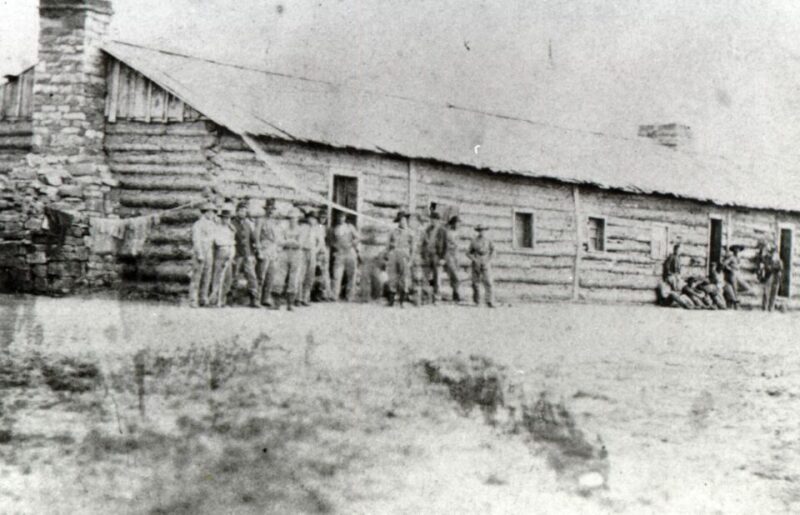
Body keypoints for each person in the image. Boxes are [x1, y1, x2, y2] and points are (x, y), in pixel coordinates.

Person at [227, 201, 260, 307]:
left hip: (248, 254)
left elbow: (253, 239)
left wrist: (254, 254)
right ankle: (231, 298)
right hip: (236, 254)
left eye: (245, 211)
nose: (243, 213)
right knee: (234, 276)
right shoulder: (231, 223)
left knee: (252, 276)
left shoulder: (248, 224)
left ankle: (254, 299)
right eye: (241, 211)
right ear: (236, 212)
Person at [188, 202, 217, 308]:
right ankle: (193, 300)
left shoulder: (213, 224)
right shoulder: (198, 224)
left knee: (207, 276)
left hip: (209, 251)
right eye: (210, 212)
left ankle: (203, 298)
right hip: (200, 252)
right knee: (196, 276)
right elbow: (196, 240)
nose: (212, 214)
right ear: (205, 212)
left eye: (213, 212)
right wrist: (199, 253)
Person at [255, 199, 282, 308]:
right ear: (265, 210)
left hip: (273, 250)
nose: (271, 211)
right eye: (269, 209)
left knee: (271, 275)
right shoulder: (261, 220)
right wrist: (259, 250)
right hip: (264, 248)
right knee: (261, 275)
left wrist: (278, 248)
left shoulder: (275, 222)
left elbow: (278, 237)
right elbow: (256, 236)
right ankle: (256, 298)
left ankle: (266, 297)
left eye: (272, 209)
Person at [209, 203, 237, 307]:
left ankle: (223, 299)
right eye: (225, 218)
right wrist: (229, 244)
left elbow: (233, 241)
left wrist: (232, 251)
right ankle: (215, 300)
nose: (227, 220)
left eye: (229, 218)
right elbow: (218, 241)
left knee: (227, 278)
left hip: (230, 253)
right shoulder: (217, 228)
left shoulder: (230, 229)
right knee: (218, 276)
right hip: (221, 251)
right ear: (222, 219)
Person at [385, 209, 414, 307]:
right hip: (393, 255)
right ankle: (391, 300)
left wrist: (411, 260)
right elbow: (388, 245)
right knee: (392, 277)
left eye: (404, 220)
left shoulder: (410, 233)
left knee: (404, 278)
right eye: (401, 220)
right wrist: (387, 255)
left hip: (404, 255)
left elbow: (413, 248)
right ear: (398, 221)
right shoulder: (393, 232)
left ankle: (402, 301)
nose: (403, 222)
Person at [280, 207, 305, 311]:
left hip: (296, 254)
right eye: (290, 218)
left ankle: (290, 303)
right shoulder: (284, 229)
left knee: (294, 278)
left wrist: (288, 241)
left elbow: (300, 244)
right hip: (285, 252)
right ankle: (276, 302)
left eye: (294, 218)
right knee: (280, 275)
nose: (292, 220)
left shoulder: (301, 229)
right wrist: (292, 241)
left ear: (298, 219)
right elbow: (280, 241)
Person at [331, 212, 360, 301]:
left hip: (350, 252)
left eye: (342, 217)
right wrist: (337, 246)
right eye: (339, 217)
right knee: (337, 274)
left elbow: (358, 238)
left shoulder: (349, 227)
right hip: (340, 253)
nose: (341, 218)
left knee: (351, 274)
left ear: (345, 218)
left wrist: (352, 244)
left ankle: (350, 295)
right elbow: (332, 241)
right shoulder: (334, 229)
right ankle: (335, 295)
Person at [299, 211, 325, 306]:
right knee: (301, 274)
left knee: (310, 275)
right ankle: (298, 298)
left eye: (314, 218)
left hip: (312, 251)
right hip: (302, 251)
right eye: (310, 218)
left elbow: (320, 242)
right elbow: (299, 240)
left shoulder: (318, 229)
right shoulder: (302, 227)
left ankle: (306, 298)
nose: (312, 220)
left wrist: (316, 250)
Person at [422, 211, 446, 304]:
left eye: (435, 219)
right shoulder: (427, 230)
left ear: (438, 220)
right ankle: (426, 297)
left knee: (437, 277)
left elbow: (445, 246)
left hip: (437, 256)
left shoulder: (442, 231)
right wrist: (424, 255)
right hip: (428, 256)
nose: (433, 221)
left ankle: (437, 297)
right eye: (431, 219)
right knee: (425, 276)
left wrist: (442, 258)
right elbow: (424, 243)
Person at [468, 224, 494, 307]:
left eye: (483, 230)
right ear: (478, 231)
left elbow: (493, 251)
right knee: (475, 282)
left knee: (488, 281)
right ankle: (477, 301)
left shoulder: (489, 240)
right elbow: (468, 253)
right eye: (479, 230)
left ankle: (489, 301)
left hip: (486, 261)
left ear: (485, 231)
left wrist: (489, 259)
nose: (481, 232)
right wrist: (474, 259)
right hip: (476, 261)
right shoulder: (474, 241)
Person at [722, 244, 751, 309]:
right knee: (735, 289)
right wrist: (730, 269)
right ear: (733, 250)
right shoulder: (731, 257)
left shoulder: (738, 258)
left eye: (738, 249)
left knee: (746, 287)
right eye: (736, 249)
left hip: (738, 274)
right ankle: (736, 306)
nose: (737, 250)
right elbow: (724, 264)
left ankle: (731, 293)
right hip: (732, 274)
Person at [442, 215, 462, 302]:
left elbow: (457, 244)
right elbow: (445, 244)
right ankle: (456, 292)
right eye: (456, 223)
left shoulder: (458, 233)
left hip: (456, 255)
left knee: (456, 273)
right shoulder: (447, 233)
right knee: (455, 275)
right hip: (448, 255)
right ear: (453, 224)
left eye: (459, 223)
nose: (458, 225)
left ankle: (455, 292)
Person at [315, 209, 333, 301]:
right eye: (321, 217)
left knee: (325, 273)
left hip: (324, 251)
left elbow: (329, 241)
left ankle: (326, 294)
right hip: (316, 251)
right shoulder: (315, 227)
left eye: (324, 218)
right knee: (317, 272)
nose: (323, 219)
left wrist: (326, 249)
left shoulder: (327, 228)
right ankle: (316, 293)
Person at [762, 243, 783, 312]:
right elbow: (766, 267)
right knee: (766, 292)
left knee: (774, 292)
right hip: (769, 276)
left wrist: (774, 266)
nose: (774, 253)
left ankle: (771, 307)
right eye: (772, 251)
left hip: (776, 277)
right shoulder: (767, 259)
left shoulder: (778, 260)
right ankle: (764, 307)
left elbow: (781, 267)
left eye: (775, 251)